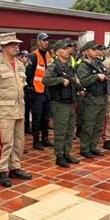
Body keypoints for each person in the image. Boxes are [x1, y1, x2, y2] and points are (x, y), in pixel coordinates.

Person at [0, 32, 32, 187]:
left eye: (16, 44)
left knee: (19, 141)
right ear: (3, 47)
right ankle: (2, 171)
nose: (16, 47)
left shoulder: (19, 64)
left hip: (19, 108)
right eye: (12, 44)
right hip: (4, 109)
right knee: (5, 142)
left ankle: (15, 167)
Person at [42, 39, 81, 167]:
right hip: (60, 103)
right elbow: (46, 80)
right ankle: (59, 156)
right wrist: (60, 80)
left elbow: (72, 82)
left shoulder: (69, 66)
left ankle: (67, 153)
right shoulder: (54, 66)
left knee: (70, 130)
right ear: (57, 52)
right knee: (61, 131)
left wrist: (78, 90)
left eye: (68, 48)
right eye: (64, 48)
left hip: (70, 102)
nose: (67, 51)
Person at [75, 41, 107, 159]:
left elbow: (106, 74)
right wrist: (96, 76)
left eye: (97, 49)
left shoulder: (99, 63)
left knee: (99, 125)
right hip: (91, 98)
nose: (96, 51)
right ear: (86, 52)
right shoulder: (82, 66)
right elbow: (83, 81)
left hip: (102, 97)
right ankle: (85, 148)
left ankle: (93, 146)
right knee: (89, 125)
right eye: (93, 50)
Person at [25, 32, 53, 150]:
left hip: (47, 91)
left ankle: (45, 139)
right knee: (37, 118)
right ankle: (36, 141)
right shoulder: (33, 56)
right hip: (36, 92)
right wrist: (32, 88)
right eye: (44, 40)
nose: (46, 42)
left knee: (46, 117)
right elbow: (28, 75)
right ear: (38, 42)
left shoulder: (48, 55)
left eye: (47, 40)